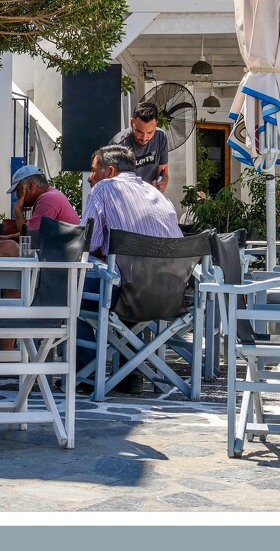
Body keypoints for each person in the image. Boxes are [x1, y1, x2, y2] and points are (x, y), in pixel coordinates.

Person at [78, 144, 183, 393]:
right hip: (171, 295)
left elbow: (87, 244)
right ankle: (130, 375)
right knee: (125, 275)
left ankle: (86, 373)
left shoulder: (105, 188)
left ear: (110, 170)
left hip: (128, 293)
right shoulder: (157, 193)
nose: (90, 177)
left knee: (71, 291)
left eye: (93, 170)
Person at [0, 164, 79, 242]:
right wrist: (7, 238)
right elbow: (33, 230)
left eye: (18, 191)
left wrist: (17, 211)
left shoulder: (48, 199)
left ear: (30, 186)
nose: (17, 196)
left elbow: (31, 238)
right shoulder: (50, 195)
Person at [110, 102, 169, 192]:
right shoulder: (118, 145)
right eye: (139, 132)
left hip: (151, 198)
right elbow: (111, 184)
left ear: (156, 124)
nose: (144, 138)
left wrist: (162, 183)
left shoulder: (161, 136)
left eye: (150, 132)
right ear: (131, 122)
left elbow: (164, 172)